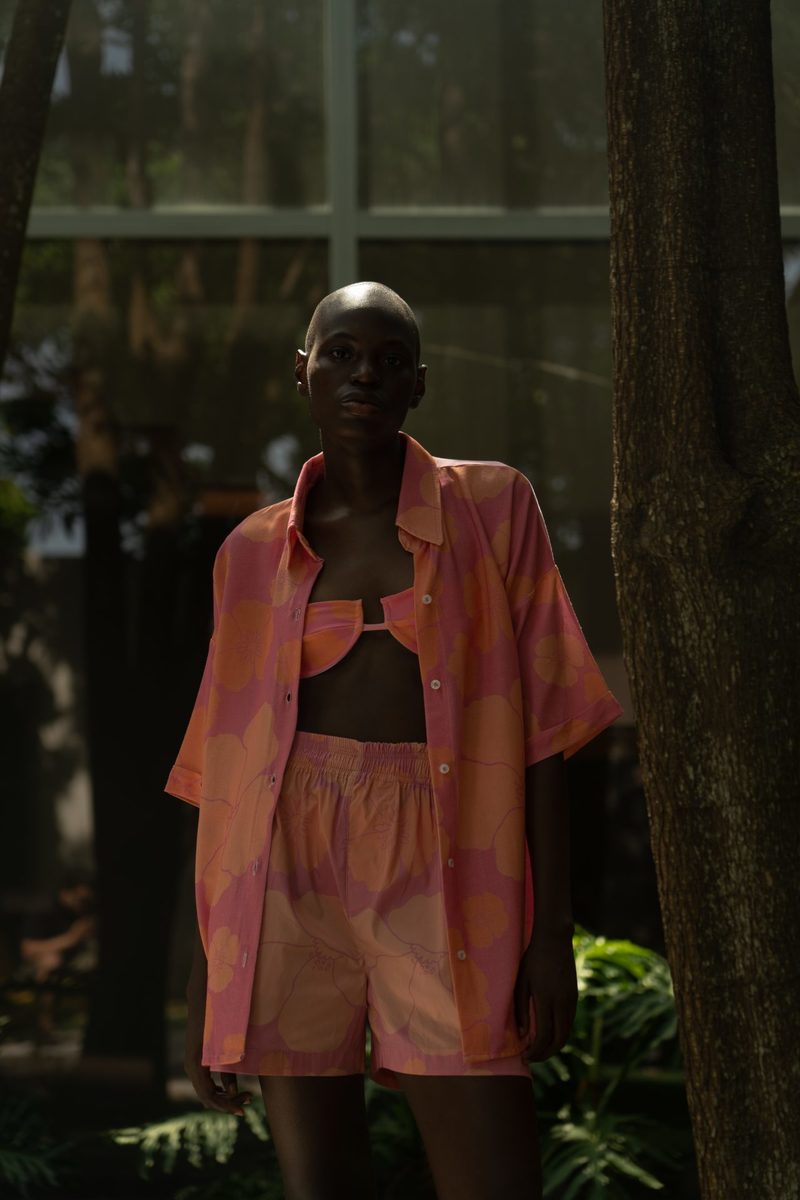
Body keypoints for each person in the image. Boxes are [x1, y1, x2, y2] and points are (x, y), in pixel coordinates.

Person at [166, 281, 624, 1200]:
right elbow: (220, 775)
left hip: (450, 856)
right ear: (304, 371)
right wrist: (207, 972)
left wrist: (550, 937)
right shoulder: (250, 553)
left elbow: (545, 734)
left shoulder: (494, 509)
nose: (363, 374)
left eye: (388, 360)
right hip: (283, 866)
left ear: (419, 384)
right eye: (340, 353)